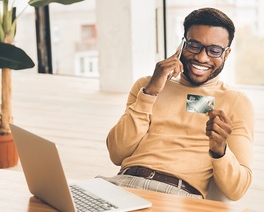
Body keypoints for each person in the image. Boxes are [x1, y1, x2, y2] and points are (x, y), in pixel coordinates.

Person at [102, 7, 255, 201]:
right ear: (182, 44)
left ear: (227, 53)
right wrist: (150, 93)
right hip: (121, 184)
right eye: (194, 45)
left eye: (214, 50)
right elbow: (117, 154)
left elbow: (237, 190)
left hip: (177, 196)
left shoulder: (236, 102)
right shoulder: (146, 85)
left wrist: (220, 150)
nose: (201, 57)